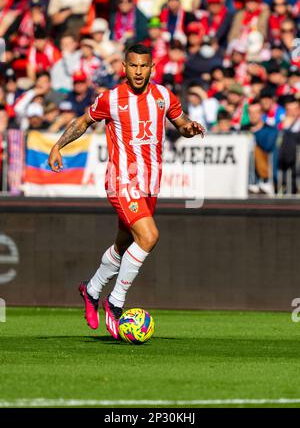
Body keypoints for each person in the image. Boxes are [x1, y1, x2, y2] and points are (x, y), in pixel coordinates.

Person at [47, 43, 205, 339]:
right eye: (133, 65)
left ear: (151, 68)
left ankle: (91, 290)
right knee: (149, 236)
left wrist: (190, 128)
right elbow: (83, 121)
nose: (138, 71)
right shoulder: (111, 99)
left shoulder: (163, 96)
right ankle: (115, 303)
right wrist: (57, 146)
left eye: (144, 66)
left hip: (150, 183)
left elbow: (179, 122)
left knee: (123, 245)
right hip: (122, 180)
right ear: (124, 67)